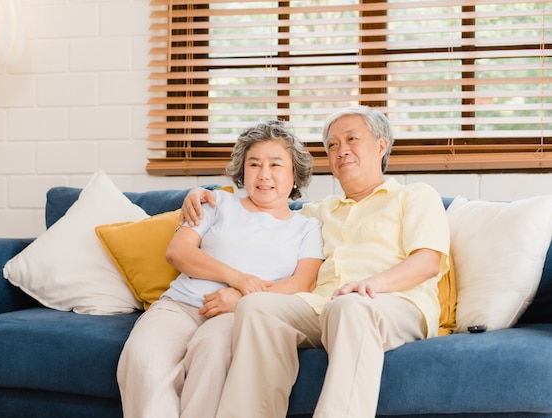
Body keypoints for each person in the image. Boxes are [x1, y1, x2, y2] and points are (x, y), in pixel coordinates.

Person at [181, 105, 451, 418]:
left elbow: (428, 261)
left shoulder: (415, 196)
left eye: (352, 139)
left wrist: (371, 284)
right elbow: (259, 211)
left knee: (350, 306)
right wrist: (205, 193)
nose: (341, 150)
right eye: (333, 145)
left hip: (392, 303)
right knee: (256, 307)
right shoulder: (316, 212)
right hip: (321, 306)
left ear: (381, 145)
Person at [116, 119, 324, 418]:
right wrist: (238, 279)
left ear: (295, 174)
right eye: (254, 164)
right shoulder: (216, 202)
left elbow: (302, 282)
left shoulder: (307, 227)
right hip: (181, 306)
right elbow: (178, 252)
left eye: (275, 165)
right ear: (243, 171)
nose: (264, 175)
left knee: (211, 359)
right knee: (142, 357)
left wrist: (242, 299)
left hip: (238, 315)